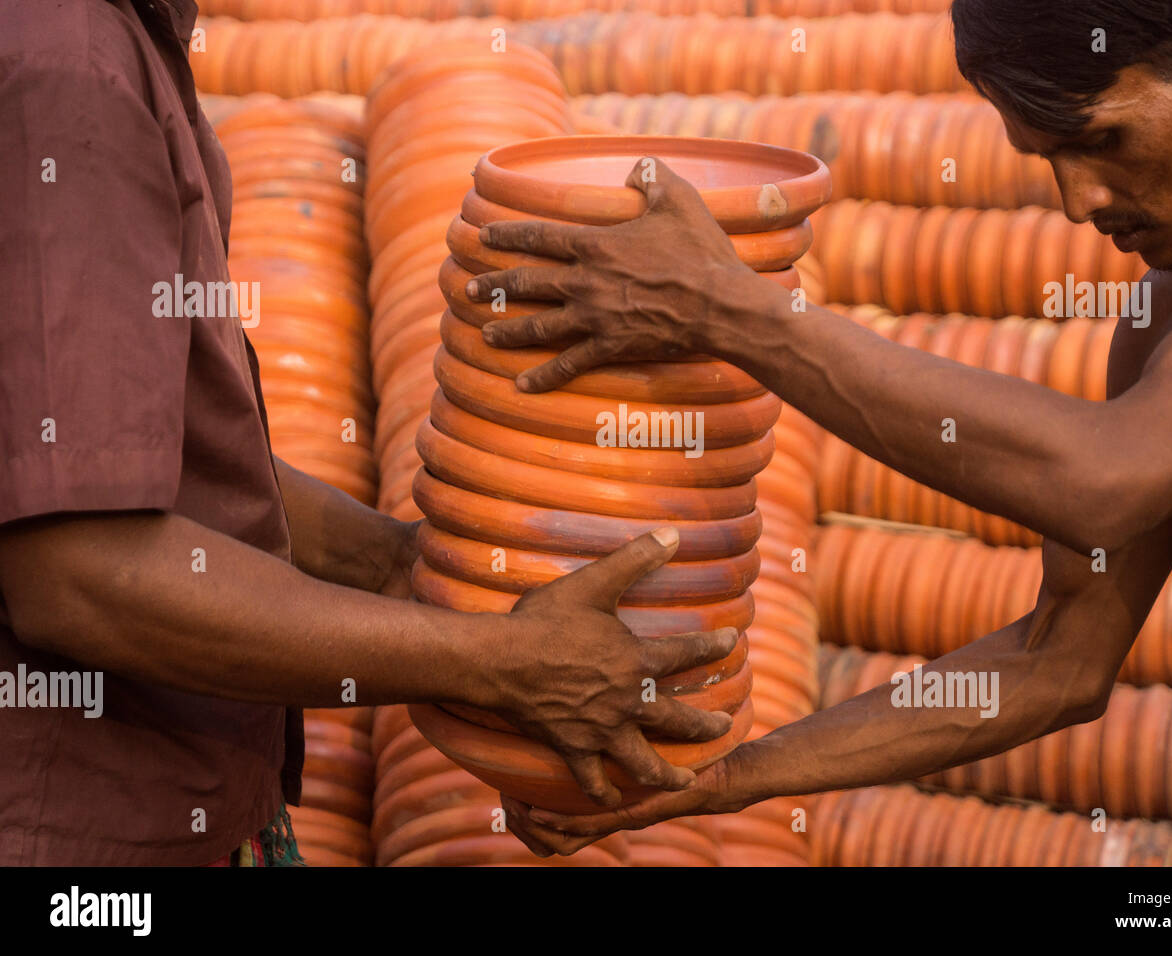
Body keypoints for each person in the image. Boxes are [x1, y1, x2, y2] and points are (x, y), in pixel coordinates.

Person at [471, 0, 1172, 864]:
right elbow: (1057, 662)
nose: (1077, 200)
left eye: (1104, 140)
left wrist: (737, 314)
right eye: (1048, 157)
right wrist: (722, 779)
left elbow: (1100, 479)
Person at [0, 0, 736, 865]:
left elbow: (138, 457)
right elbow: (80, 566)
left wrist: (399, 563)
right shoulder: (69, 62)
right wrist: (498, 663)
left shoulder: (106, 40)